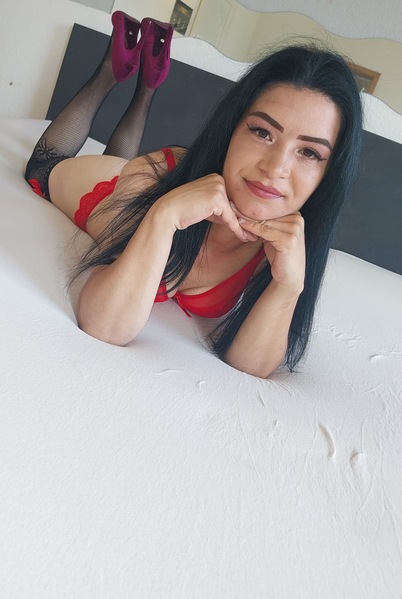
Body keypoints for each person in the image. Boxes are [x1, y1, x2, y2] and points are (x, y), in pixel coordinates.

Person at [25, 11, 363, 378]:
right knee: (42, 165)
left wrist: (289, 285)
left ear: (328, 174)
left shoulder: (285, 244)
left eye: (309, 152)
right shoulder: (154, 181)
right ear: (231, 129)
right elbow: (104, 327)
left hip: (138, 182)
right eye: (262, 132)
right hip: (108, 188)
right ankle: (110, 71)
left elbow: (251, 366)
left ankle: (147, 85)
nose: (276, 168)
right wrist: (163, 216)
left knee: (124, 159)